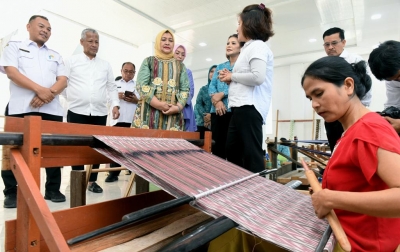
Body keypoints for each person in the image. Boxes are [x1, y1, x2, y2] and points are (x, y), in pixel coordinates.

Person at [301, 56, 400, 251]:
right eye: (310, 98)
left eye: (319, 93)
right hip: (346, 236)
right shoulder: (351, 133)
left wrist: (331, 198)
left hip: (364, 246)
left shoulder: (369, 131)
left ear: (347, 85)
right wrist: (323, 193)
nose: (314, 104)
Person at [0, 15, 67, 207]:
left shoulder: (55, 54)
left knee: (53, 149)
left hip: (51, 108)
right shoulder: (14, 47)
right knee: (13, 150)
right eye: (41, 26)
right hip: (20, 107)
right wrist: (40, 90)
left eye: (49, 28)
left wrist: (49, 93)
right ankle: (11, 192)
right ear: (28, 26)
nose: (46, 30)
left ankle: (53, 189)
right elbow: (12, 73)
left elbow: (63, 80)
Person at [219, 3, 274, 173]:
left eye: (239, 24)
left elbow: (258, 77)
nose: (237, 28)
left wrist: (232, 77)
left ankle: (257, 195)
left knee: (252, 154)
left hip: (249, 107)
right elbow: (249, 77)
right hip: (240, 107)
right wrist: (232, 80)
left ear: (249, 25)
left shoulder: (257, 46)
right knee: (232, 150)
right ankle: (242, 190)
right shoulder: (248, 48)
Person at [64, 28, 120, 193]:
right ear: (82, 42)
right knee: (77, 148)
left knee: (97, 147)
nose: (94, 45)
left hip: (100, 113)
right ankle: (78, 181)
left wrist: (115, 104)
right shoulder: (71, 61)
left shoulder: (105, 65)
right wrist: (74, 97)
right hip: (76, 111)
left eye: (96, 42)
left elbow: (111, 87)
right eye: (90, 41)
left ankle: (92, 181)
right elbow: (62, 84)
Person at [322, 27, 372, 152]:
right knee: (336, 150)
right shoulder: (323, 65)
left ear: (343, 42)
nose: (330, 47)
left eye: (334, 43)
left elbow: (366, 88)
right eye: (327, 44)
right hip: (332, 117)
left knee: (354, 150)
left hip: (353, 116)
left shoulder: (355, 60)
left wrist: (361, 113)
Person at [131, 30, 189, 131]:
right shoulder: (148, 61)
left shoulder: (180, 66)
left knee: (171, 145)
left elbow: (185, 89)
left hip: (173, 115)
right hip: (148, 114)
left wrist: (177, 108)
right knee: (145, 145)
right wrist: (158, 104)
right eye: (163, 40)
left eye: (170, 40)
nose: (167, 43)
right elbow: (141, 85)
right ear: (158, 42)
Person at [208, 34, 242, 159]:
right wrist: (217, 102)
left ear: (241, 47)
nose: (229, 45)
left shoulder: (242, 66)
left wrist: (222, 94)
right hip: (216, 111)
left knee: (232, 148)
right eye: (228, 43)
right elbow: (212, 87)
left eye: (233, 43)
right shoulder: (220, 66)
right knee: (217, 147)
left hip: (233, 111)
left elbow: (240, 85)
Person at [106, 62, 139, 182]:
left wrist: (136, 100)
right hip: (117, 120)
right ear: (121, 71)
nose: (128, 74)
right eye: (126, 71)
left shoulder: (138, 86)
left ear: (134, 73)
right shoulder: (114, 85)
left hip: (132, 121)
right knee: (114, 148)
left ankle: (133, 172)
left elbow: (142, 102)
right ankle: (113, 174)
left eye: (131, 72)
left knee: (132, 149)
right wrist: (116, 97)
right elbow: (105, 97)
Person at [368, 40, 400, 133]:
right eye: (393, 79)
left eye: (399, 77)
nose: (397, 80)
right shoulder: (393, 77)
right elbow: (394, 103)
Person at [173, 44, 196, 132]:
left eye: (183, 54)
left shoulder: (188, 72)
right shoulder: (166, 70)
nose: (180, 56)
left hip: (184, 108)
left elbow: (190, 91)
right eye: (177, 53)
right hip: (167, 106)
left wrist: (179, 102)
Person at [194, 65, 216, 139]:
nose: (213, 74)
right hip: (202, 122)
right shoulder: (203, 89)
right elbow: (198, 104)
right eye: (211, 71)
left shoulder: (221, 90)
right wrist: (205, 117)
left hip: (216, 122)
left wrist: (211, 117)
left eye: (215, 72)